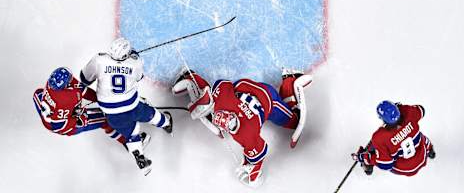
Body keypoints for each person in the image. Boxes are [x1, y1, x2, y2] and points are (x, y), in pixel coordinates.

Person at [172, 67, 312, 187]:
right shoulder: (224, 104)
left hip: (267, 97)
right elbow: (222, 84)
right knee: (212, 104)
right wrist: (209, 101)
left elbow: (261, 151)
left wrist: (253, 172)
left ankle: (291, 79)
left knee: (294, 121)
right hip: (245, 87)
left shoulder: (246, 133)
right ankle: (190, 76)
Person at [80, 37, 172, 176]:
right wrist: (134, 57)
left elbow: (84, 78)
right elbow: (139, 77)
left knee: (131, 133)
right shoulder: (135, 63)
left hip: (111, 112)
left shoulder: (99, 60)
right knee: (150, 113)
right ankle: (166, 123)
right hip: (131, 105)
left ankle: (139, 156)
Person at [33, 67, 126, 145]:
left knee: (38, 92)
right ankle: (126, 141)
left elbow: (78, 87)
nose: (71, 79)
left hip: (49, 117)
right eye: (69, 79)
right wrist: (104, 101)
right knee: (105, 120)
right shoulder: (69, 97)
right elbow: (81, 94)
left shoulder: (50, 84)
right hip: (62, 126)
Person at [352, 101, 436, 176]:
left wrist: (363, 157)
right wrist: (401, 107)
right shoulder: (409, 112)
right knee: (417, 134)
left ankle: (367, 164)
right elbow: (422, 110)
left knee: (376, 147)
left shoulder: (379, 137)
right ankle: (430, 150)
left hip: (405, 168)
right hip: (422, 156)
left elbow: (386, 165)